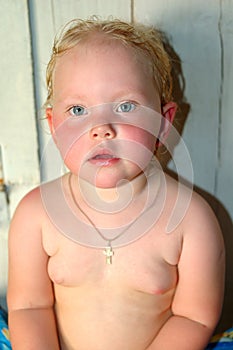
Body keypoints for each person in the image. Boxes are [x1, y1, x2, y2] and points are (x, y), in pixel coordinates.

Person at [7, 18, 225, 350]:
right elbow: (28, 307)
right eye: (78, 109)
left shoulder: (192, 220)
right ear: (54, 126)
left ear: (163, 124)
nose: (102, 128)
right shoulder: (35, 216)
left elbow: (194, 316)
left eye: (125, 106)